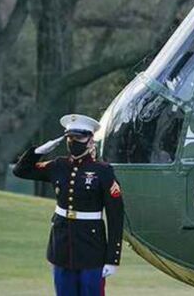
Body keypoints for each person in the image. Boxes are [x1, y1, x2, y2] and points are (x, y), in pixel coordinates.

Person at [13, 114, 124, 296]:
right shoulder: (58, 166)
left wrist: (113, 258)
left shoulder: (103, 171)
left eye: (78, 138)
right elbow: (20, 171)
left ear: (90, 140)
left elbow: (116, 217)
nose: (73, 142)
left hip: (91, 247)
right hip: (61, 246)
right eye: (70, 138)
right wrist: (38, 151)